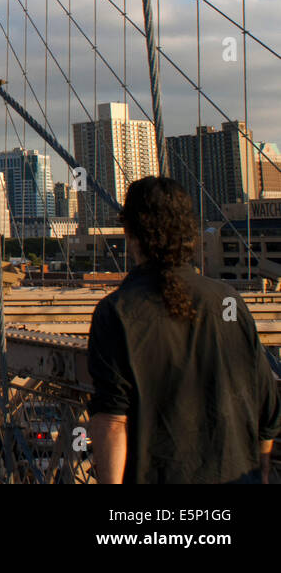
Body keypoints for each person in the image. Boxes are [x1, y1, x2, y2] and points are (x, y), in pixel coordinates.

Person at [87, 176, 281, 483]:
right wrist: (263, 475)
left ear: (130, 234)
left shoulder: (116, 312)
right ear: (188, 232)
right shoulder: (230, 301)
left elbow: (112, 421)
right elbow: (268, 412)